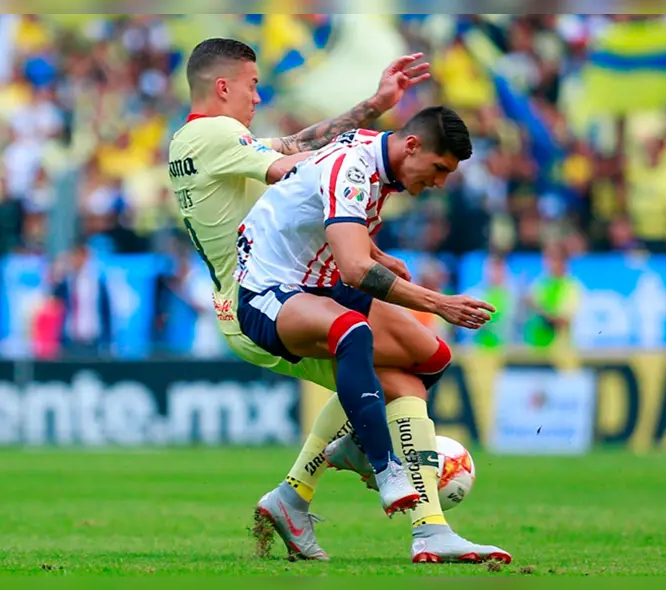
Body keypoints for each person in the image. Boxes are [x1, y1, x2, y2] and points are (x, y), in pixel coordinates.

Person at [167, 38, 458, 562]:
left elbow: (295, 148)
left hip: (301, 282)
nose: (257, 97)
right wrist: (371, 158)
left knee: (422, 360)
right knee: (386, 370)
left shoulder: (206, 140)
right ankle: (422, 522)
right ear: (224, 86)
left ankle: (296, 496)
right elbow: (302, 171)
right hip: (260, 297)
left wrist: (372, 111)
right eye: (253, 85)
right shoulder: (214, 134)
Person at [234, 104, 511, 564]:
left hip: (317, 282)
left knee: (427, 360)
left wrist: (376, 253)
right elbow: (354, 268)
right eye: (439, 168)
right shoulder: (355, 164)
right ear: (412, 145)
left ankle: (427, 529)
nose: (440, 182)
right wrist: (439, 303)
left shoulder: (375, 158)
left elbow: (314, 198)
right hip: (269, 288)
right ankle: (383, 466)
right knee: (351, 331)